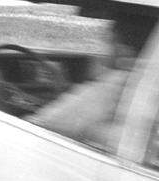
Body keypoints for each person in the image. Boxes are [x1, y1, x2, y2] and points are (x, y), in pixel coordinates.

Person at [29, 10, 157, 151]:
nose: (103, 49)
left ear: (122, 49)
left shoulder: (117, 84)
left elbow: (41, 124)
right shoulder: (148, 81)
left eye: (108, 40)